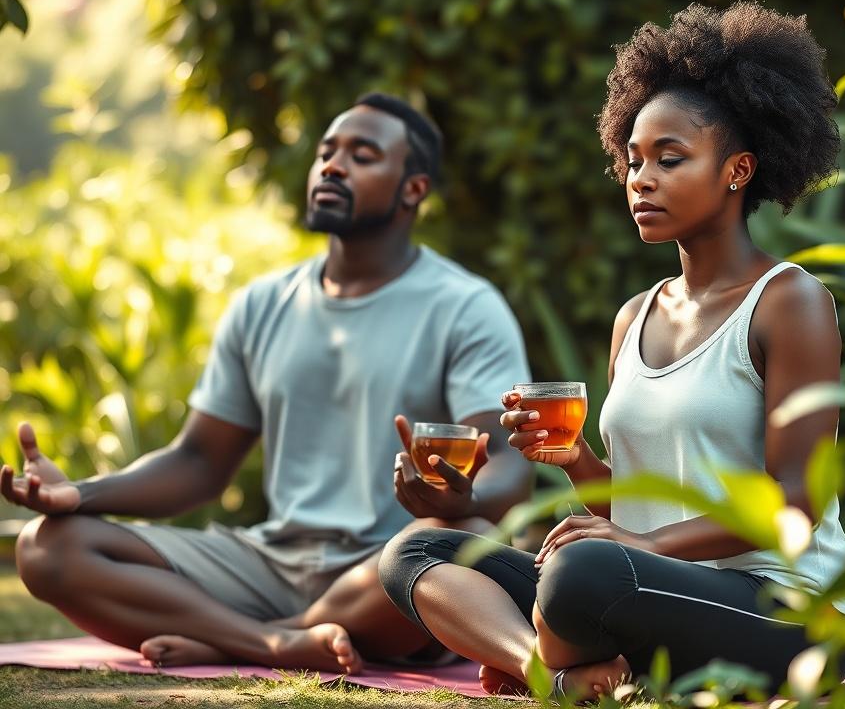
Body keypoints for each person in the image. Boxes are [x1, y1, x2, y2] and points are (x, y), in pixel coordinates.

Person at [378, 2, 845, 700]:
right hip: (651, 585)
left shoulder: (789, 302)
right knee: (419, 550)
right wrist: (575, 461)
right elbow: (635, 511)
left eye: (671, 159)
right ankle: (554, 673)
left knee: (585, 573)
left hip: (784, 611)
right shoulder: (634, 317)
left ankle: (560, 658)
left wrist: (645, 549)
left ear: (738, 170)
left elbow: (798, 498)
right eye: (632, 161)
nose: (642, 179)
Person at [2, 92, 533, 674]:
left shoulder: (465, 306)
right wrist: (80, 494)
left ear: (413, 189)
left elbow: (507, 461)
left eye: (362, 154)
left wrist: (465, 498)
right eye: (327, 152)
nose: (331, 166)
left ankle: (243, 639)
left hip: (388, 571)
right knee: (47, 547)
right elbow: (199, 461)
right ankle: (272, 643)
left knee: (467, 539)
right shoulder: (262, 304)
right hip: (268, 562)